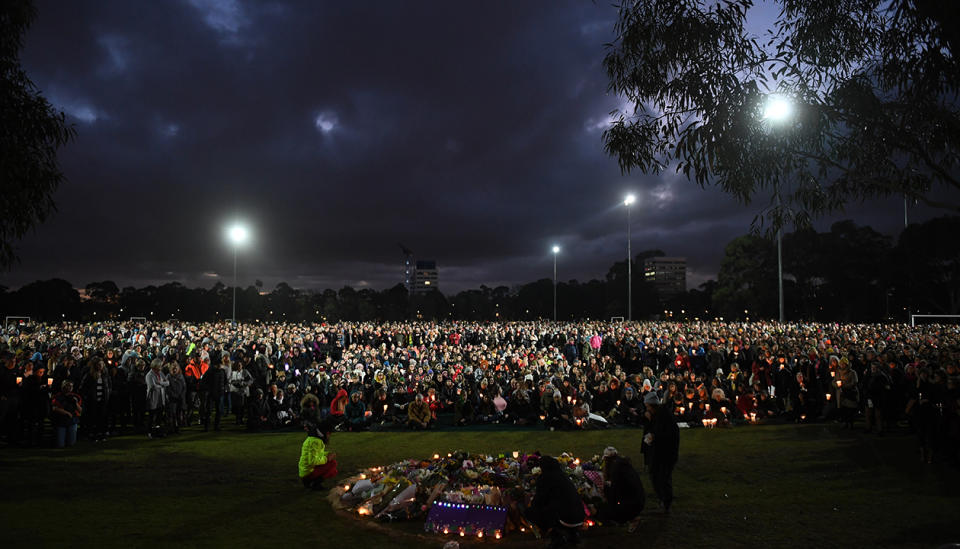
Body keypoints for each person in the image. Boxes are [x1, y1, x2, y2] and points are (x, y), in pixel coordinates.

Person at [525, 455, 585, 548]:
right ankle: (572, 533)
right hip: (580, 515)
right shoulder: (563, 476)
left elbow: (539, 500)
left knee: (530, 512)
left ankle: (556, 535)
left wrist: (531, 504)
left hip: (564, 517)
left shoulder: (545, 477)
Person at [645, 391, 679, 513]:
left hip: (666, 453)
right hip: (659, 453)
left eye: (648, 407)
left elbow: (668, 435)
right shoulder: (657, 415)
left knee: (663, 478)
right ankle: (663, 500)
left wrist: (655, 437)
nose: (647, 409)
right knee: (656, 476)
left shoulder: (664, 416)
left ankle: (666, 503)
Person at [598, 446, 645, 531]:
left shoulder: (616, 469)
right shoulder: (624, 465)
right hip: (639, 499)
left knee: (607, 511)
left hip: (632, 503)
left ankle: (631, 518)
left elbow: (615, 491)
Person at [299, 417, 337, 491]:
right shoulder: (316, 441)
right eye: (329, 433)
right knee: (333, 464)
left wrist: (327, 454)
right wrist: (327, 459)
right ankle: (314, 483)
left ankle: (311, 482)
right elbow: (312, 461)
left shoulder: (314, 438)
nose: (329, 436)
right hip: (308, 471)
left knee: (333, 469)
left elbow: (317, 453)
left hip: (305, 470)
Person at [51, 380, 82, 448]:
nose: (69, 388)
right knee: (60, 444)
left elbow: (80, 410)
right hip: (61, 421)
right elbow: (54, 408)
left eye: (71, 386)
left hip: (72, 421)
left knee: (71, 444)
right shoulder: (58, 397)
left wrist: (75, 403)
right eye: (67, 385)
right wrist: (66, 413)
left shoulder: (75, 397)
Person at [145, 359, 169, 438]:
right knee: (152, 416)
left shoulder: (160, 373)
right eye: (160, 366)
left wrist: (160, 383)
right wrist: (162, 385)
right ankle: (150, 432)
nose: (161, 367)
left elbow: (167, 382)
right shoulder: (149, 375)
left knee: (159, 416)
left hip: (160, 398)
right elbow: (152, 386)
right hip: (153, 398)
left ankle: (158, 432)